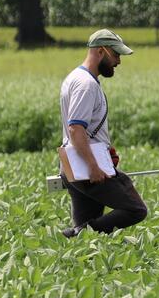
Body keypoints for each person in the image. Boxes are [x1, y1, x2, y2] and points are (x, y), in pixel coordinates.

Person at [58, 29, 147, 238]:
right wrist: (93, 166)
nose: (118, 61)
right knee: (136, 209)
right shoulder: (86, 84)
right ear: (101, 51)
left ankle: (78, 237)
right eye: (115, 55)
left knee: (91, 240)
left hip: (73, 165)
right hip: (86, 169)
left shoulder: (75, 78)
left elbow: (85, 131)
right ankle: (75, 233)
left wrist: (106, 151)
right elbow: (76, 129)